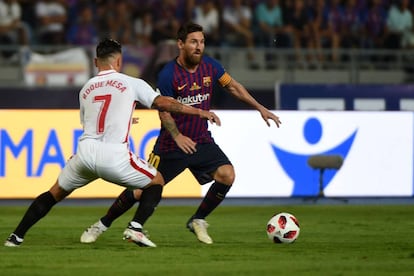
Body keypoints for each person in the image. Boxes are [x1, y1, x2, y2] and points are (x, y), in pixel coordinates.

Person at [4, 38, 221, 248]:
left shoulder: (86, 89)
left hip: (85, 155)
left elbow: (91, 123)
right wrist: (199, 111)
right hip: (114, 156)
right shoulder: (131, 82)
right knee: (156, 181)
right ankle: (135, 227)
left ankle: (15, 237)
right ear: (119, 61)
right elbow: (163, 103)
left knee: (54, 193)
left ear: (95, 62)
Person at [79, 22, 281, 246]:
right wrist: (177, 136)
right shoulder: (168, 74)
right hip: (170, 145)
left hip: (201, 141)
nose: (199, 47)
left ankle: (198, 219)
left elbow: (233, 86)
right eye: (194, 42)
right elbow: (162, 108)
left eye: (202, 42)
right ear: (180, 44)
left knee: (227, 175)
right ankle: (102, 224)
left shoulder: (211, 67)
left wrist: (259, 107)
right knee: (139, 191)